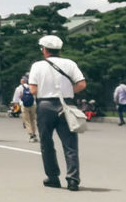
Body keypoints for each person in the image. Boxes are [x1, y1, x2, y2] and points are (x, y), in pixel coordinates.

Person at [28, 35, 86, 191]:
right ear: (59, 50)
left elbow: (33, 89)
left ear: (45, 50)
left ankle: (53, 177)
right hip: (66, 104)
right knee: (70, 143)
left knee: (46, 143)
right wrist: (68, 91)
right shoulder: (70, 63)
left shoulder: (37, 66)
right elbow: (81, 84)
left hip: (45, 105)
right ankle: (73, 179)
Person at [13, 75, 37, 142]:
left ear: (21, 81)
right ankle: (34, 134)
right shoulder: (31, 87)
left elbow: (15, 100)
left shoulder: (19, 88)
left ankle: (31, 135)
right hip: (33, 105)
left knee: (27, 121)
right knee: (33, 120)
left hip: (24, 105)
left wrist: (15, 109)